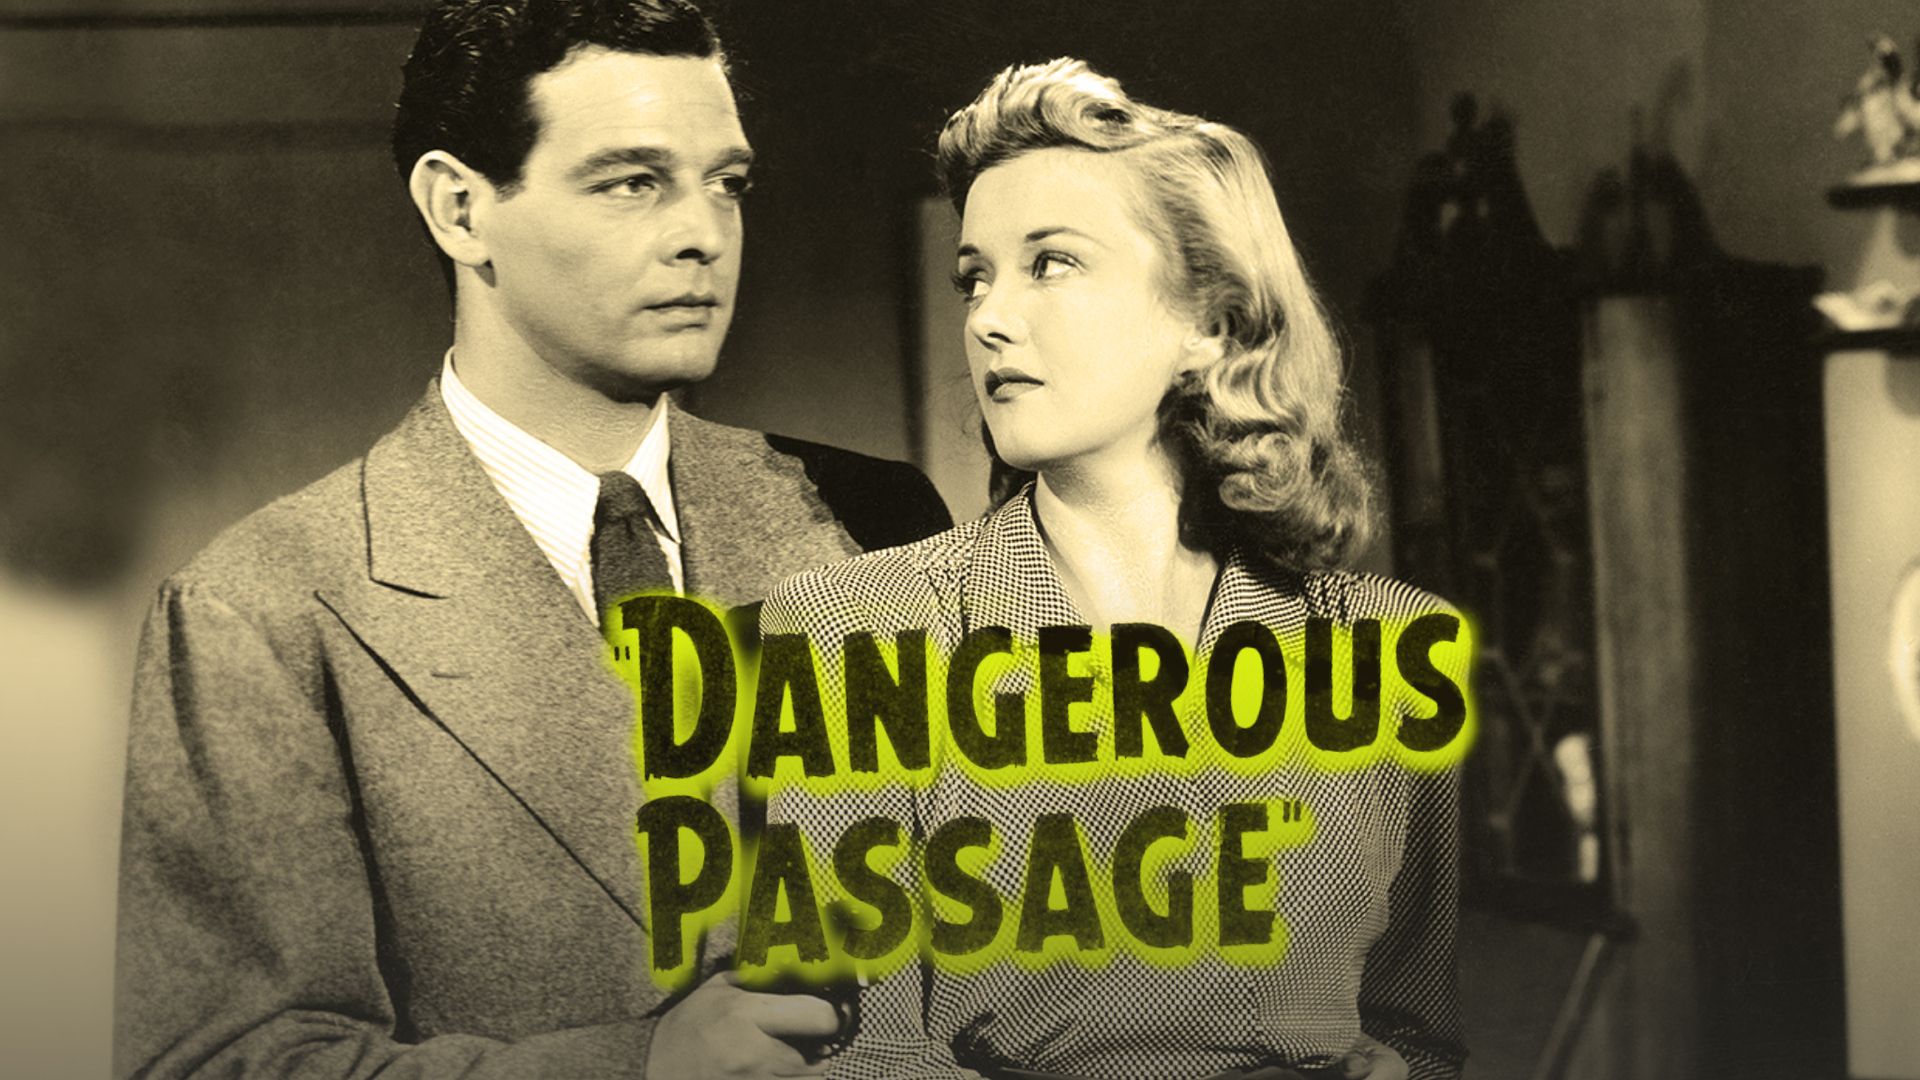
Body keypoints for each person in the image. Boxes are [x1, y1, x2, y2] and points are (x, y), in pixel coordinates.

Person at [112, 1, 949, 1077]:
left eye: (727, 184)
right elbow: (224, 1062)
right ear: (459, 210)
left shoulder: (874, 522)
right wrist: (637, 1066)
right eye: (632, 182)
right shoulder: (260, 612)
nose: (704, 233)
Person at [761, 60, 1468, 1080]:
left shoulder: (1391, 650)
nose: (988, 318)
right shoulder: (852, 631)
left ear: (1209, 322)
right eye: (974, 277)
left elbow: (1417, 1029)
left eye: (1050, 263)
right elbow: (843, 1052)